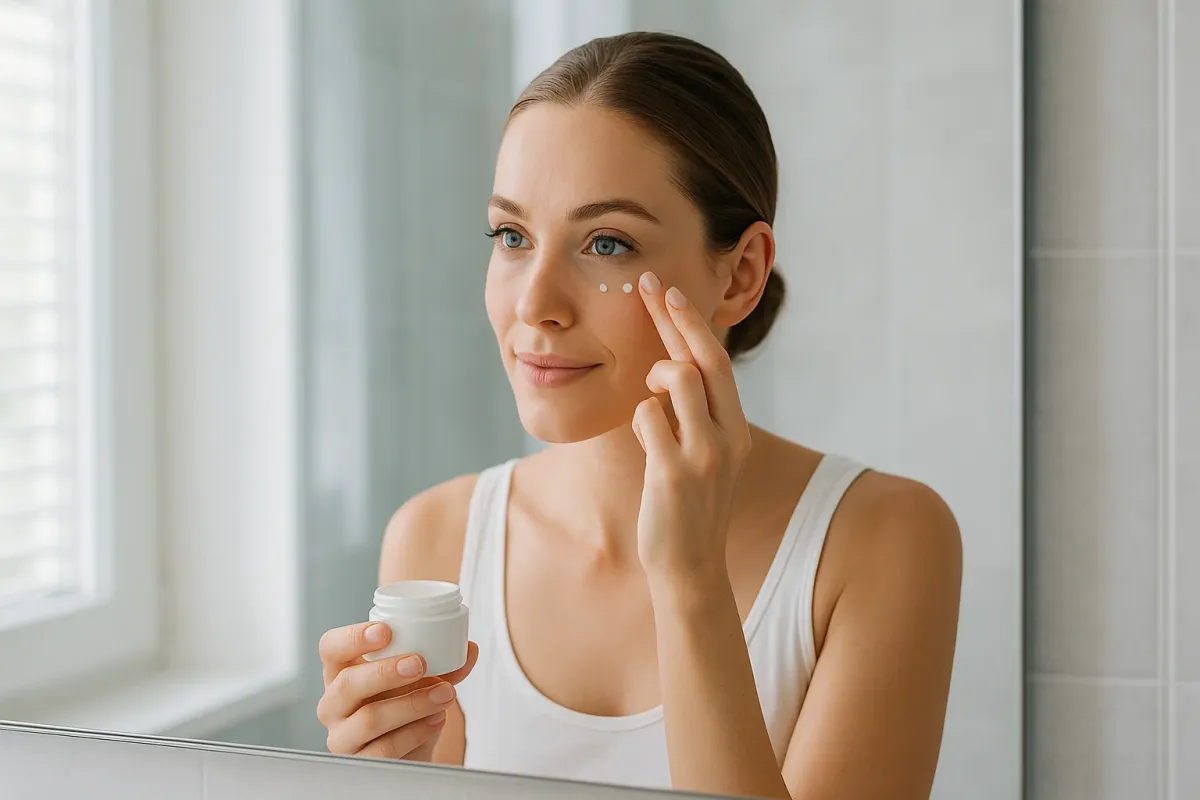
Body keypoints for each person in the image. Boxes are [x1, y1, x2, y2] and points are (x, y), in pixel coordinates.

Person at [316, 31, 962, 800]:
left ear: (741, 273)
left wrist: (690, 579)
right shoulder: (436, 538)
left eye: (607, 243)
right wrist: (393, 778)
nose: (535, 304)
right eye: (512, 236)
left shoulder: (882, 541)